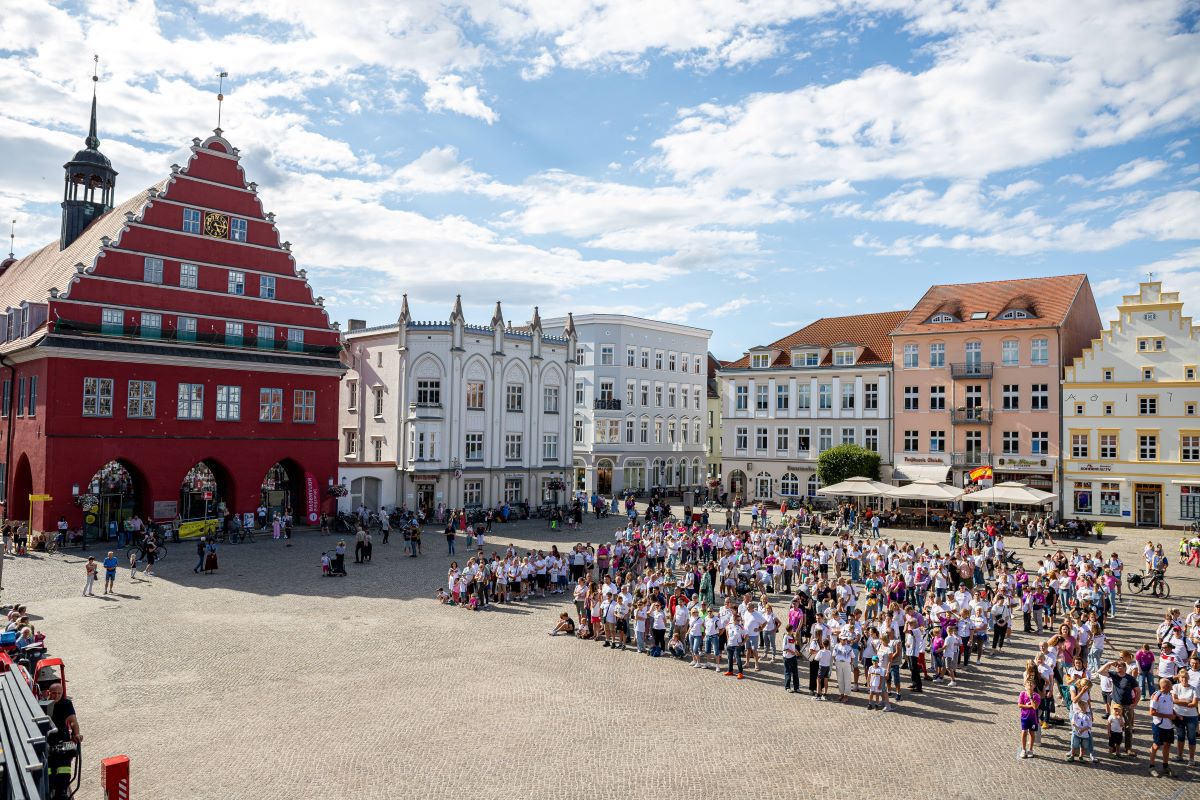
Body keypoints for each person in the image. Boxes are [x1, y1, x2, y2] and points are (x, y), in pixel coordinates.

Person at [1149, 677, 1178, 777]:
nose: (1172, 686)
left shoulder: (1170, 695)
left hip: (1169, 725)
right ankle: (1151, 766)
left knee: (1168, 745)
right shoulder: (1156, 696)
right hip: (1159, 725)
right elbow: (1152, 712)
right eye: (1170, 685)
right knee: (1156, 745)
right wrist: (1168, 716)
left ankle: (1165, 766)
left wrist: (1176, 714)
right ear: (1165, 686)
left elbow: (1170, 708)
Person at [1019, 679, 1042, 759]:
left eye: (1031, 685)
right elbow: (1020, 705)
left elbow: (1035, 707)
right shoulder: (1022, 694)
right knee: (1024, 732)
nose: (1029, 686)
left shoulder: (1037, 696)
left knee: (1032, 733)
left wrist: (1031, 698)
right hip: (1024, 717)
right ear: (1024, 686)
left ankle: (1031, 749)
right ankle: (1023, 749)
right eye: (1028, 685)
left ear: (1034, 686)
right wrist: (1029, 706)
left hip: (1033, 718)